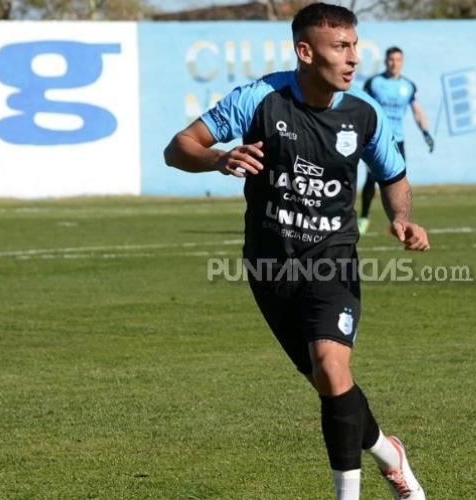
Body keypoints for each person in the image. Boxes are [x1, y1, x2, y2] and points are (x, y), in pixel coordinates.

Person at [163, 3, 429, 499]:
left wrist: (400, 218)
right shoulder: (260, 100)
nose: (353, 59)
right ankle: (391, 455)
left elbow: (393, 175)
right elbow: (178, 147)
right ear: (305, 53)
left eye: (354, 46)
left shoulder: (362, 115)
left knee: (332, 367)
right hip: (269, 265)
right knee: (331, 385)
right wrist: (219, 158)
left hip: (333, 258)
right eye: (340, 47)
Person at [358, 46, 434, 236]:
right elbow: (361, 108)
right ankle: (364, 217)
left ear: (402, 62)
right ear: (385, 61)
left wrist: (426, 132)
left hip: (397, 141)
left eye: (398, 60)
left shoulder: (408, 86)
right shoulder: (374, 83)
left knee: (398, 180)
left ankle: (399, 221)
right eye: (391, 60)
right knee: (371, 179)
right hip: (374, 140)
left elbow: (417, 111)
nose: (394, 63)